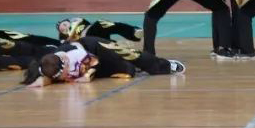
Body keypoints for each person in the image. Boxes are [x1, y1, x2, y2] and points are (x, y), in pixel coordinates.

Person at [22, 36, 184, 87]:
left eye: (63, 74)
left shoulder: (75, 54)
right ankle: (131, 67)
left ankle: (164, 65)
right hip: (85, 67)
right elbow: (44, 76)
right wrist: (41, 81)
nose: (62, 78)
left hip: (95, 49)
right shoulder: (48, 64)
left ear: (65, 61)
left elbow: (95, 62)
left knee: (130, 55)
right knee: (129, 71)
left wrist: (87, 77)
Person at [56, 17, 142, 43]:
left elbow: (87, 23)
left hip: (93, 31)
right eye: (62, 30)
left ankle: (133, 32)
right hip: (88, 41)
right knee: (111, 45)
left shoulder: (77, 20)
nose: (64, 28)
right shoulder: (64, 38)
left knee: (103, 24)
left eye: (64, 25)